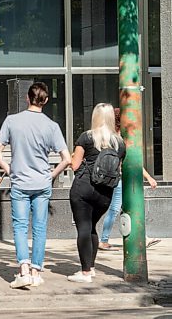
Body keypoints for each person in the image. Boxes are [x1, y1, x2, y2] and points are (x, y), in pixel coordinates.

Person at [0, 82, 71, 288]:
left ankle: (23, 270)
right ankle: (36, 271)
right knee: (39, 227)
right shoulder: (51, 126)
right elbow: (66, 158)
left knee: (19, 226)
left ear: (27, 98)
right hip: (42, 183)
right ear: (45, 100)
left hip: (20, 182)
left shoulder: (12, 121)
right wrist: (50, 175)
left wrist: (9, 170)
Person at [69, 103, 126, 283]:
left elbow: (75, 165)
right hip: (105, 192)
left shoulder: (86, 137)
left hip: (83, 188)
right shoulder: (120, 143)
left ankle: (85, 272)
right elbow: (118, 168)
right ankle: (91, 267)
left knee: (83, 228)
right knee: (92, 227)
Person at [98, 108, 159, 251]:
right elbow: (132, 161)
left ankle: (143, 238)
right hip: (118, 179)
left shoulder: (110, 137)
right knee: (116, 209)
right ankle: (104, 240)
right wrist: (149, 177)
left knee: (127, 207)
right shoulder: (120, 139)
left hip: (117, 178)